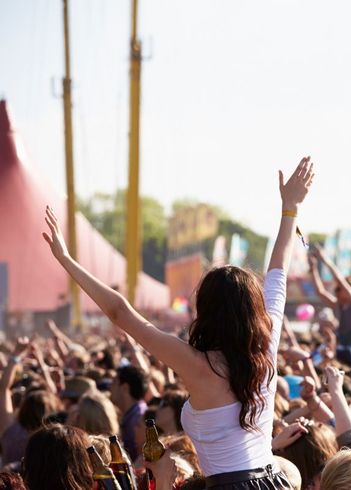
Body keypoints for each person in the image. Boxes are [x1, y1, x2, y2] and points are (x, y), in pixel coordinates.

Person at [43, 157, 315, 489]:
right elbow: (278, 273)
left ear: (206, 311)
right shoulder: (265, 346)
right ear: (252, 310)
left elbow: (121, 313)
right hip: (274, 482)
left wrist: (66, 260)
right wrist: (290, 210)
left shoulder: (198, 363)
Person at [308, 243, 351, 351]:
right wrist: (313, 269)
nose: (336, 294)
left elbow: (339, 279)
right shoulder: (339, 304)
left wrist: (324, 258)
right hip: (344, 339)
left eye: (338, 290)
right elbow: (320, 292)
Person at [111, 364, 148, 460]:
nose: (110, 387)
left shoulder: (138, 419)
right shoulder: (134, 414)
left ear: (125, 388)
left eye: (114, 382)